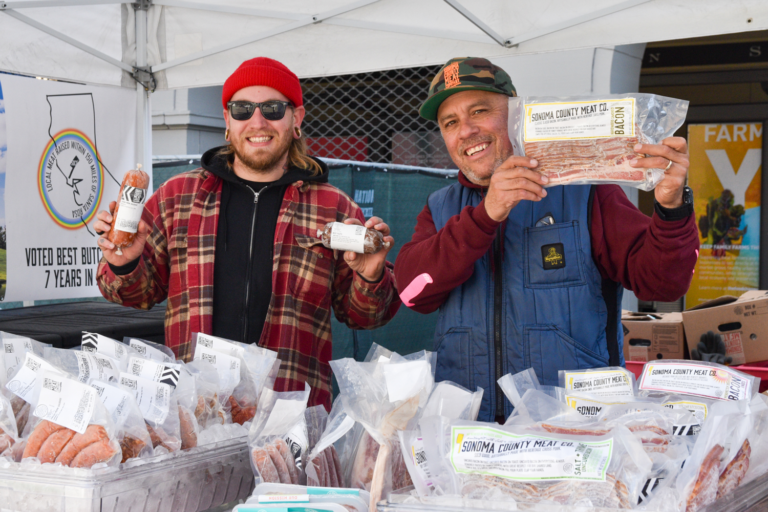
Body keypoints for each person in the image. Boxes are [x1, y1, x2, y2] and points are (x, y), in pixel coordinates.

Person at [394, 57, 699, 422]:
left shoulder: (583, 189)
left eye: (480, 111)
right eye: (450, 123)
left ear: (516, 112)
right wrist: (485, 215)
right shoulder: (440, 207)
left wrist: (671, 208)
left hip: (574, 429)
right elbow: (412, 292)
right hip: (473, 437)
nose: (466, 130)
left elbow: (663, 283)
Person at [95, 57, 401, 410]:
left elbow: (366, 316)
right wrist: (124, 265)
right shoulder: (177, 197)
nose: (257, 121)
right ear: (227, 120)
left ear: (296, 118)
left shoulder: (333, 207)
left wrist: (371, 275)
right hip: (195, 414)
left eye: (272, 108)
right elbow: (134, 295)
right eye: (242, 109)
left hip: (290, 417)